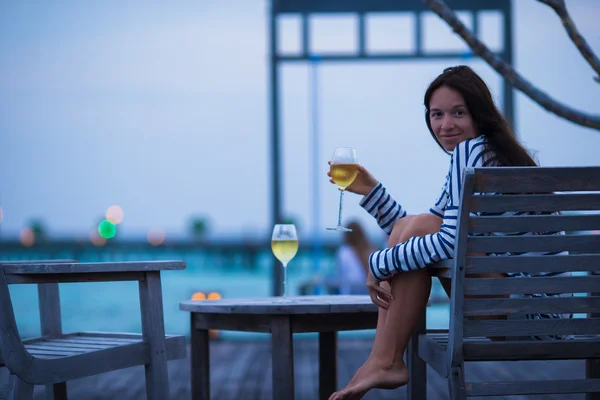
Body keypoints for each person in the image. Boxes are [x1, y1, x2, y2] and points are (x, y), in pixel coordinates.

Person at [327, 65, 571, 400]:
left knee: (424, 231)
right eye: (436, 114)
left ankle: (384, 360)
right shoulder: (489, 154)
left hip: (528, 320)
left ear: (479, 114)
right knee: (418, 229)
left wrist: (378, 263)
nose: (445, 125)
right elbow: (415, 231)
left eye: (458, 112)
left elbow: (444, 240)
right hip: (548, 322)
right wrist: (372, 192)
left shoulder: (471, 153)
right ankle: (382, 360)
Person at [334, 221, 374, 295]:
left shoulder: (344, 252)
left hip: (349, 293)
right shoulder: (370, 250)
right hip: (368, 292)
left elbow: (344, 275)